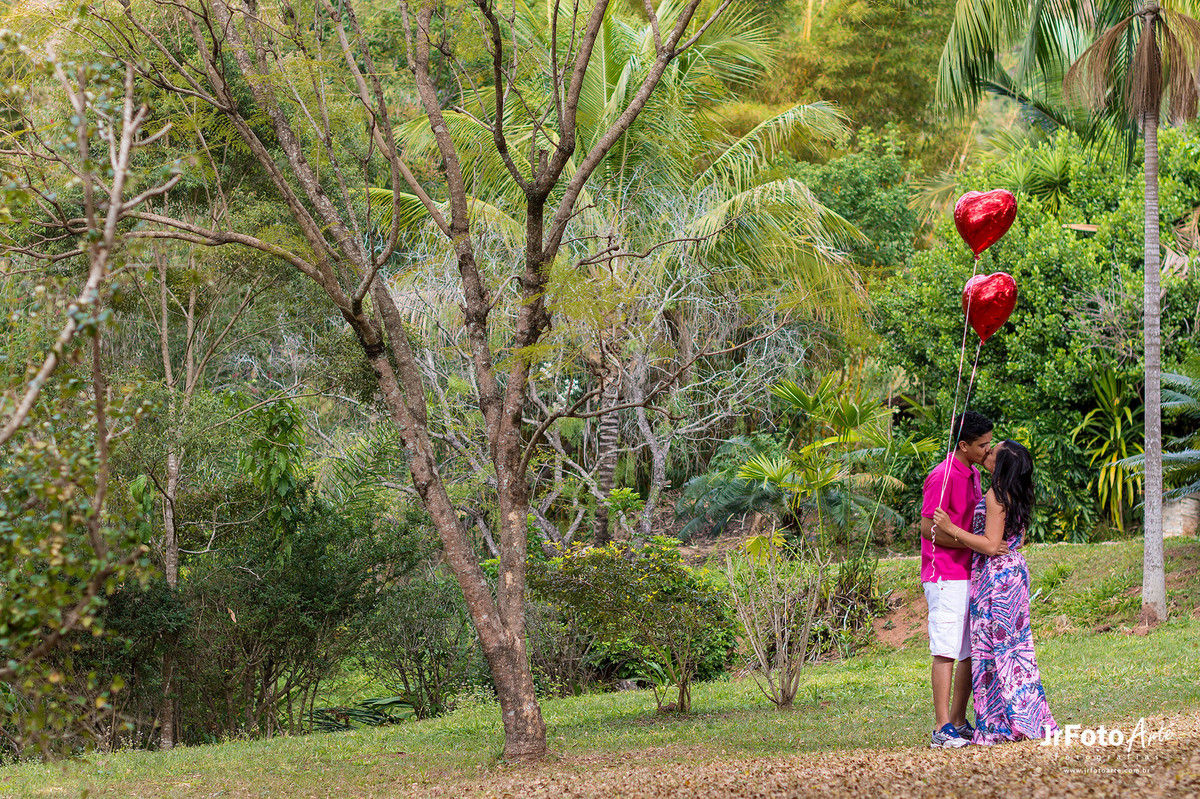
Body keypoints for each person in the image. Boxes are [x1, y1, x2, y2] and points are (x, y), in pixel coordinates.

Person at [933, 439, 1058, 744]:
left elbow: (990, 545)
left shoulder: (995, 495)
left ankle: (1000, 722)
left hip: (996, 578)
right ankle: (1025, 715)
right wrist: (999, 544)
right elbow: (1017, 537)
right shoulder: (1015, 493)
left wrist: (951, 528)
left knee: (991, 649)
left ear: (1000, 465)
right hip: (1013, 571)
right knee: (1015, 649)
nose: (986, 453)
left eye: (992, 452)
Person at [919, 410, 996, 749]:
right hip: (944, 574)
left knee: (967, 650)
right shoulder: (942, 475)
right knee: (947, 649)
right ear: (964, 445)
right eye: (982, 446)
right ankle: (940, 727)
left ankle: (959, 721)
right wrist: (968, 540)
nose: (987, 451)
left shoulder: (975, 475)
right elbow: (927, 529)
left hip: (969, 572)